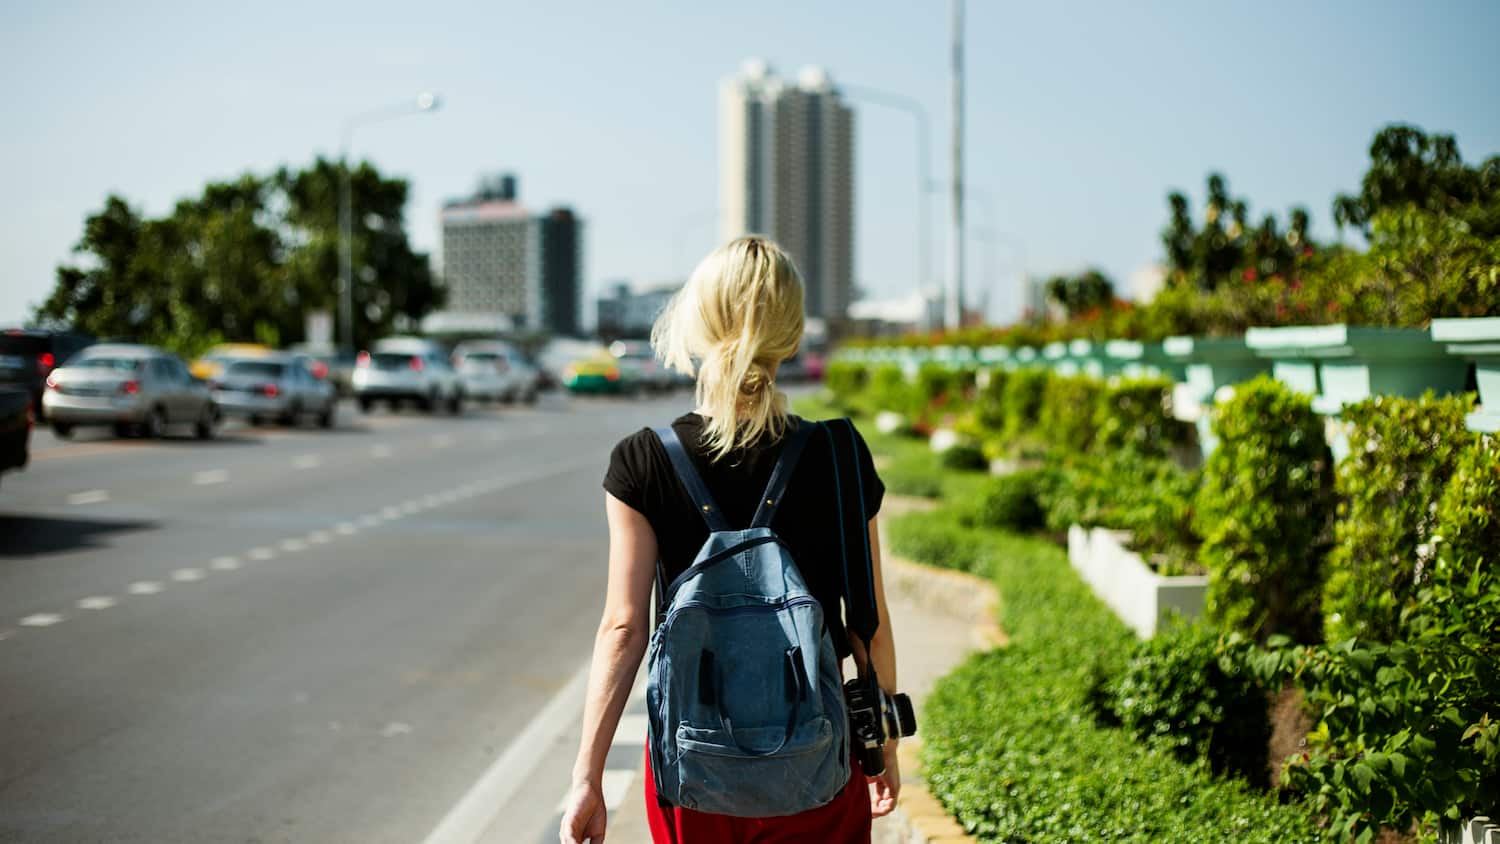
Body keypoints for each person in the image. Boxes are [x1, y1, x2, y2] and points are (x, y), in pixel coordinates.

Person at [560, 236, 899, 844]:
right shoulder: (840, 454)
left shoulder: (641, 461)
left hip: (695, 772)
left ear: (696, 328)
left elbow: (623, 628)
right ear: (792, 339)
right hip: (819, 763)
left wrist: (587, 777)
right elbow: (867, 622)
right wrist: (883, 747)